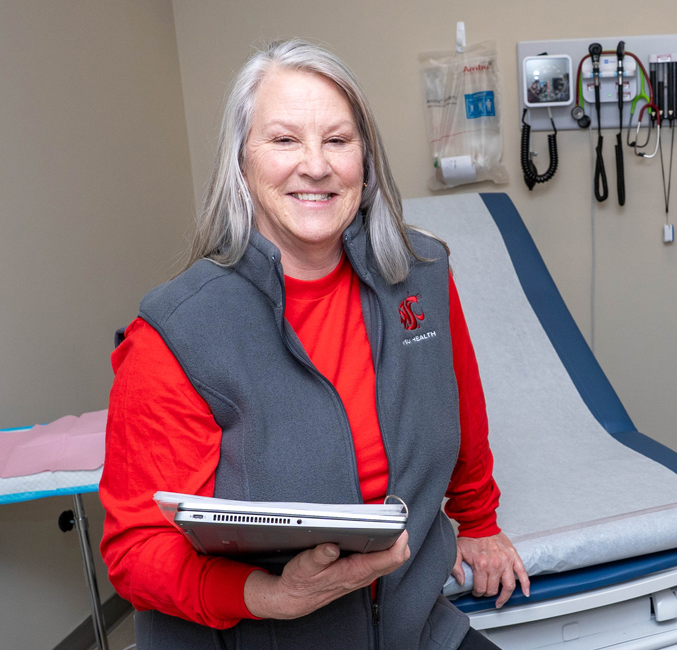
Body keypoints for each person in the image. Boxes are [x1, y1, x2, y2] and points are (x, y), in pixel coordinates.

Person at [99, 40, 528, 650]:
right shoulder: (176, 333)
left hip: (414, 631)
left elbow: (459, 407)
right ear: (241, 162)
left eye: (337, 140)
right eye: (284, 140)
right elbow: (135, 549)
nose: (316, 166)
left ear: (365, 159)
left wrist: (479, 521)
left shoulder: (422, 275)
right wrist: (269, 596)